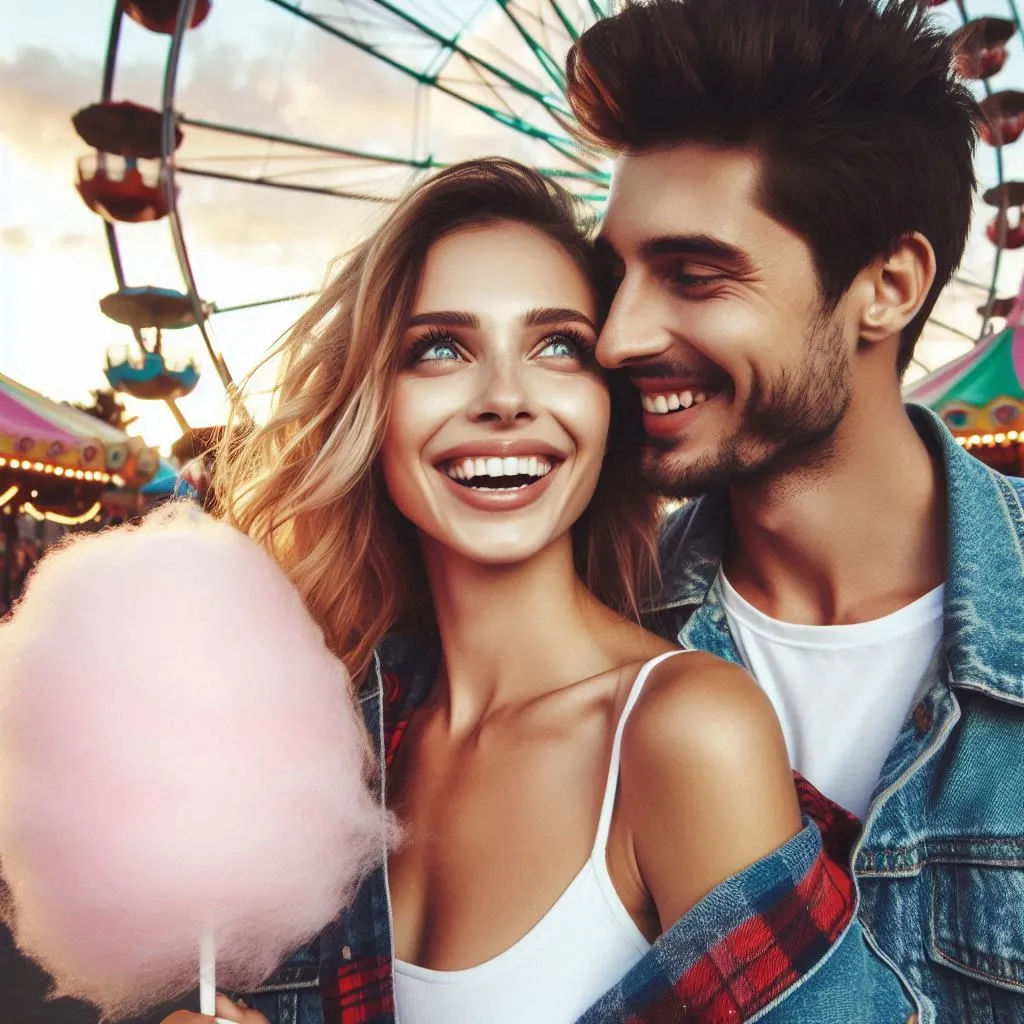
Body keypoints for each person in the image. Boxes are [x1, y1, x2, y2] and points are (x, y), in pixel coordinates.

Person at [159, 159, 913, 1024]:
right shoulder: (345, 744)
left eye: (558, 346)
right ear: (372, 406)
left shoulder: (685, 731)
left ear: (608, 405)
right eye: (439, 349)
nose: (507, 399)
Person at [563, 0, 1024, 1020]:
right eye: (614, 277)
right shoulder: (582, 636)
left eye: (693, 276)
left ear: (886, 286)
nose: (616, 335)